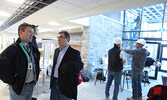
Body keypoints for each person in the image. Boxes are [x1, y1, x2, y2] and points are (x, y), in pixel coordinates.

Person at [0, 23, 40, 100]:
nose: (32, 34)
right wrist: (12, 80)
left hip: (31, 86)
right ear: (21, 32)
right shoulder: (13, 48)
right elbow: (1, 66)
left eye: (32, 32)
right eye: (29, 32)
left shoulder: (32, 48)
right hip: (19, 87)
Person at [50, 31, 84, 100]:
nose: (58, 39)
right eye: (58, 37)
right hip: (54, 82)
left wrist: (69, 66)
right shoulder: (56, 51)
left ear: (67, 39)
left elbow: (80, 66)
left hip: (66, 84)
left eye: (61, 37)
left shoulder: (74, 53)